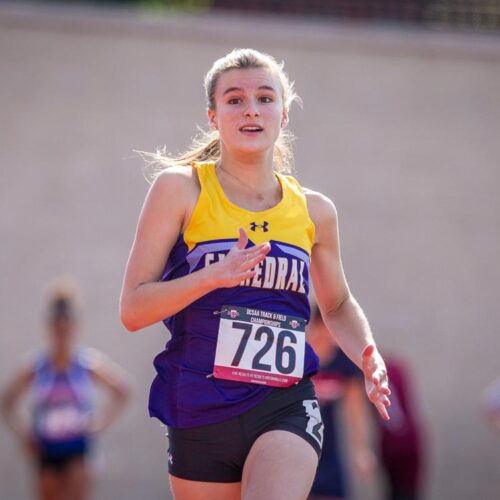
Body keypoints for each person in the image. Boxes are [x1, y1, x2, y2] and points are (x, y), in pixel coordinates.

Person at [120, 48, 391, 500]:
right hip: (200, 407)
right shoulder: (180, 189)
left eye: (265, 98)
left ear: (283, 115)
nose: (251, 108)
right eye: (234, 99)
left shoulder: (314, 210)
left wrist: (367, 352)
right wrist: (210, 277)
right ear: (213, 116)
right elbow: (132, 309)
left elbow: (338, 304)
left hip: (284, 403)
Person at [1, 277, 130, 500]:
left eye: (66, 327)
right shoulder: (37, 366)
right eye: (57, 328)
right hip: (47, 450)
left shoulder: (86, 363)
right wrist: (24, 435)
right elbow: (7, 400)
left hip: (77, 450)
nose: (62, 334)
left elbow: (122, 391)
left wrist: (99, 424)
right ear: (49, 328)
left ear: (74, 328)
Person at [307, 305, 377, 500]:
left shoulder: (342, 361)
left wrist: (362, 449)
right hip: (297, 443)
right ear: (316, 325)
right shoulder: (296, 354)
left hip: (329, 450)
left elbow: (355, 410)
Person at [375, 355, 424, 500]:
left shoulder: (379, 372)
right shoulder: (396, 367)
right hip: (409, 438)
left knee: (400, 492)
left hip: (395, 441)